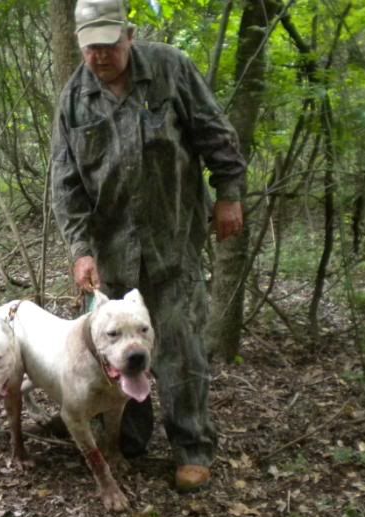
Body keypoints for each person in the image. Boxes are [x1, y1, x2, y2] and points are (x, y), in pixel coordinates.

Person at [51, 0, 247, 491]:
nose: (100, 56)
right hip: (111, 252)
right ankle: (129, 439)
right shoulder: (73, 100)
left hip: (173, 240)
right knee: (117, 353)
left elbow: (214, 131)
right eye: (90, 47)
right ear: (80, 44)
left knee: (179, 345)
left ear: (129, 34)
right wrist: (80, 249)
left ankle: (191, 447)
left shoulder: (170, 69)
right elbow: (66, 182)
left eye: (109, 44)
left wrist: (229, 193)